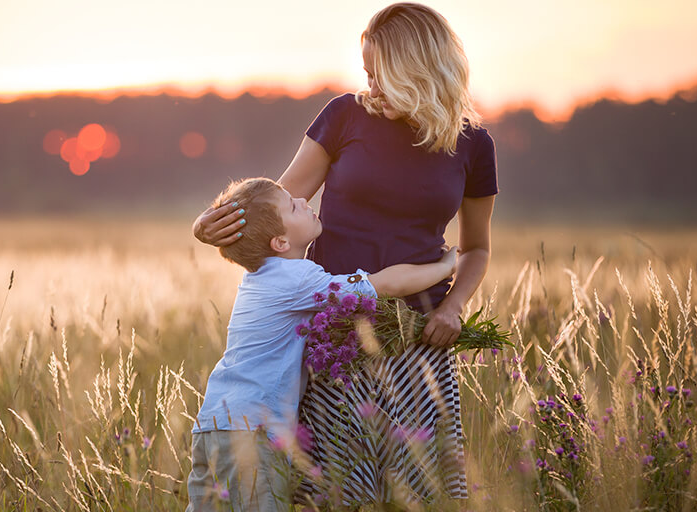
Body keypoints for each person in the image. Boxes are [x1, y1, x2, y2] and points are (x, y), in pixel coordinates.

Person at [192, 2, 497, 505]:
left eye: (381, 74)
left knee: (421, 494)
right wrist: (211, 225)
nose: (370, 85)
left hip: (421, 343)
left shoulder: (472, 146)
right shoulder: (344, 116)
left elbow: (478, 248)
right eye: (367, 72)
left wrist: (453, 305)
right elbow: (277, 206)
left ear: (417, 70)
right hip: (335, 340)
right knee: (333, 494)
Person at [187, 177, 458, 511]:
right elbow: (385, 283)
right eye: (291, 205)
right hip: (252, 430)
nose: (302, 201)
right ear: (281, 242)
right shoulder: (297, 279)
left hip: (214, 424)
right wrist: (444, 267)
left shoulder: (258, 279)